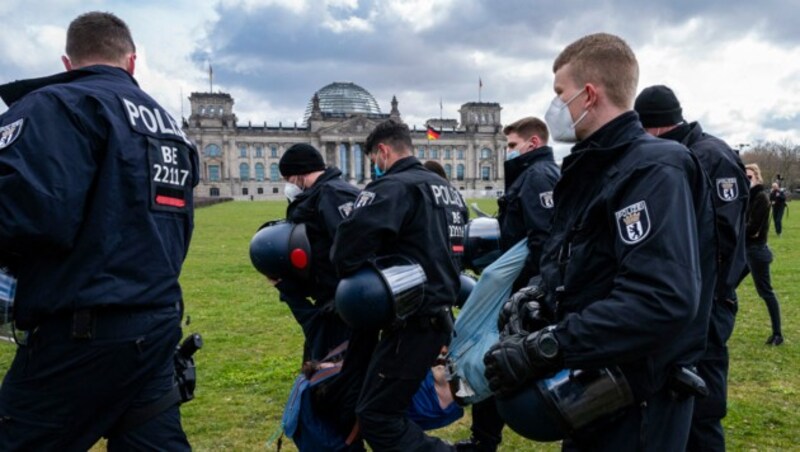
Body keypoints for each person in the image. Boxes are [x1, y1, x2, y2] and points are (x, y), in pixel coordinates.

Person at [484, 33, 716, 450]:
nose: (555, 106)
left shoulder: (652, 169)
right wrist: (540, 294)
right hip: (590, 387)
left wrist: (547, 347)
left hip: (637, 400)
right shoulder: (594, 168)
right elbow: (587, 265)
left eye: (560, 93)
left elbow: (659, 297)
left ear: (588, 95)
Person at [0, 11, 197, 450]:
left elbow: (28, 214)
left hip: (80, 332)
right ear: (132, 61)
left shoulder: (56, 105)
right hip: (157, 324)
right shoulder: (168, 125)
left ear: (68, 63)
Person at [331, 119, 463, 451]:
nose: (375, 168)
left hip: (409, 322)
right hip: (442, 319)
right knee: (385, 402)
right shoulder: (448, 190)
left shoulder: (389, 188)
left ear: (384, 151)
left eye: (375, 160)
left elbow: (344, 254)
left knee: (377, 416)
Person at [635, 84, 748, 452]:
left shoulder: (710, 157)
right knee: (676, 403)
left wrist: (705, 304)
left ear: (652, 127)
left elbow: (721, 244)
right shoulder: (682, 153)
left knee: (702, 407)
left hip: (707, 305)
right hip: (687, 303)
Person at [457, 117, 559, 452]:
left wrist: (533, 290)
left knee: (501, 359)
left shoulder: (538, 176)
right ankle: (483, 438)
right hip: (519, 285)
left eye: (512, 146)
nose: (507, 152)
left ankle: (486, 438)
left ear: (532, 143)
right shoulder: (530, 175)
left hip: (525, 288)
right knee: (495, 359)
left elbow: (544, 239)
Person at [274, 143, 359, 363]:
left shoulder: (331, 195)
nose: (288, 186)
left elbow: (352, 248)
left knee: (329, 371)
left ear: (299, 174)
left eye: (288, 179)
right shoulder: (331, 192)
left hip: (340, 305)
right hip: (335, 301)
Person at [740, 164, 784, 346]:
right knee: (724, 287)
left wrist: (734, 229)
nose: (747, 180)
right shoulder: (745, 197)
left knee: (765, 292)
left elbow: (752, 229)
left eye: (750, 177)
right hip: (744, 251)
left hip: (756, 252)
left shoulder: (761, 198)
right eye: (744, 177)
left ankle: (777, 334)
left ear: (757, 178)